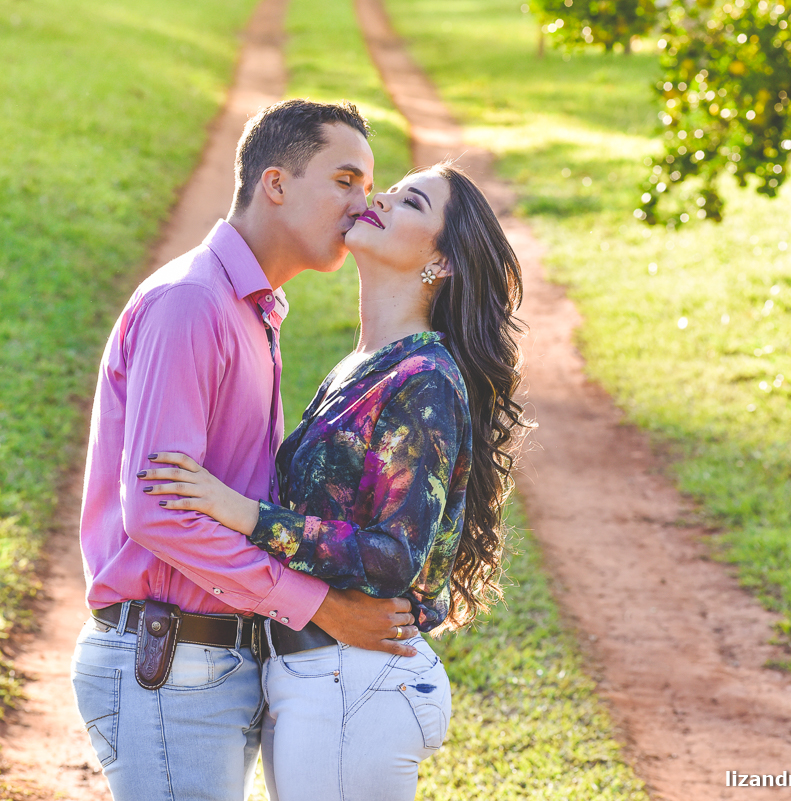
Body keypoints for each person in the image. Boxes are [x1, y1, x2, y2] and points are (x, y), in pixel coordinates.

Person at [141, 162, 529, 801]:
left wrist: (246, 514)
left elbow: (393, 557)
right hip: (319, 677)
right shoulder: (363, 366)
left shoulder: (424, 379)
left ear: (442, 262)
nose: (382, 199)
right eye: (391, 190)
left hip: (360, 683)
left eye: (412, 203)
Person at [72, 99, 423, 801]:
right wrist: (317, 604)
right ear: (276, 184)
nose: (363, 204)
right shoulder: (191, 304)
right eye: (345, 180)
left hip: (213, 661)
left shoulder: (252, 310)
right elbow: (159, 514)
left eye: (368, 185)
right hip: (170, 666)